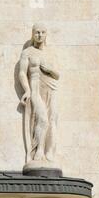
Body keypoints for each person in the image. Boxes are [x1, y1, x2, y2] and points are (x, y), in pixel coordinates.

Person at [18, 23, 60, 164]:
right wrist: (27, 90)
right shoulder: (27, 52)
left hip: (51, 87)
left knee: (52, 120)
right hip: (35, 88)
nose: (40, 35)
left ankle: (49, 151)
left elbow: (57, 74)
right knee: (43, 119)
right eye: (37, 32)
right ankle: (38, 149)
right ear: (33, 34)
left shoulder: (51, 52)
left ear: (46, 34)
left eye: (42, 32)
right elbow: (22, 73)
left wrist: (49, 70)